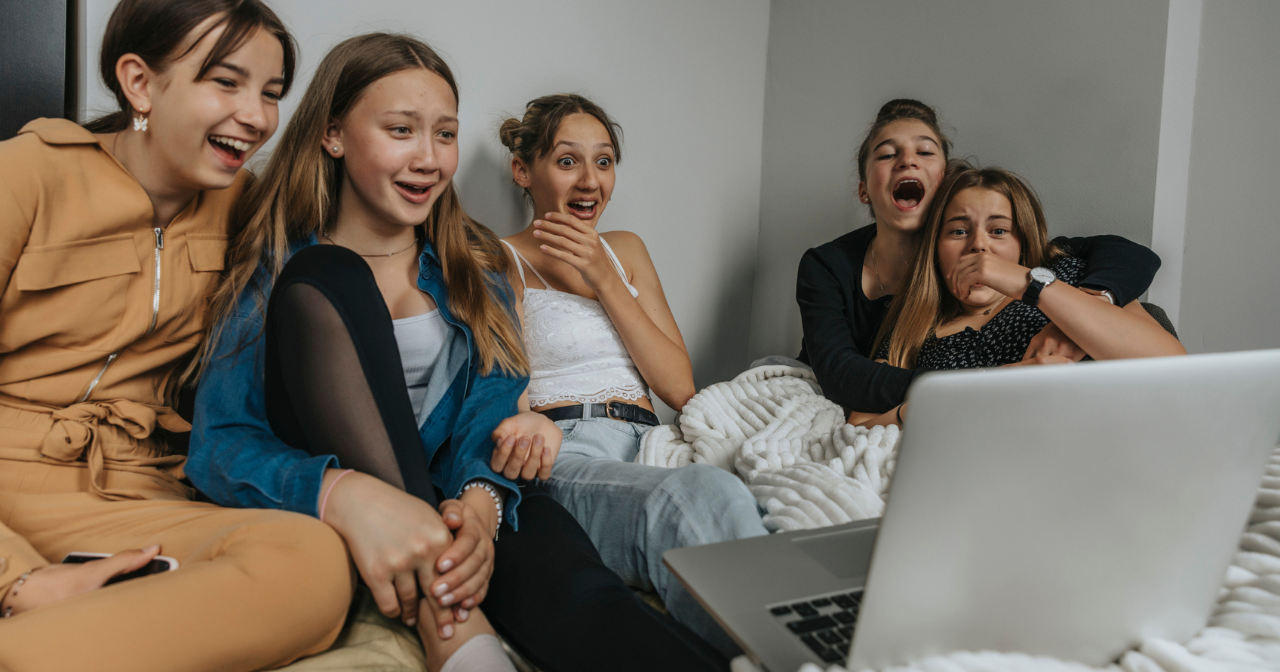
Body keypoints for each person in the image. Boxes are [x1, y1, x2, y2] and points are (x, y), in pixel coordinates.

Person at [187, 34, 729, 672]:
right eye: (400, 129)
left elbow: (492, 396)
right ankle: (453, 620)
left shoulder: (470, 262)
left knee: (583, 589)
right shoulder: (283, 264)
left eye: (444, 135)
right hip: (354, 505)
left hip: (461, 489)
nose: (428, 158)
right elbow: (220, 442)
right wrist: (340, 492)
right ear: (333, 134)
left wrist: (480, 497)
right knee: (333, 274)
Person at [0, 2, 356, 670]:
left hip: (137, 494)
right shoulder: (24, 174)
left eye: (271, 93)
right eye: (226, 81)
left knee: (312, 561)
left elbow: (373, 265)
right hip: (7, 482)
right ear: (139, 83)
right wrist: (16, 580)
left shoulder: (249, 208)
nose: (255, 115)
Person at [497, 93, 769, 656]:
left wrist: (603, 275)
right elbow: (504, 390)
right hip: (566, 450)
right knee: (697, 499)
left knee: (754, 499)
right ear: (524, 170)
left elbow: (678, 387)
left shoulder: (624, 252)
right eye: (568, 161)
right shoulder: (498, 259)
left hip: (654, 442)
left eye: (604, 161)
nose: (590, 181)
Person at [797, 99, 1164, 418]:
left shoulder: (1040, 265)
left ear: (944, 180)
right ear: (863, 190)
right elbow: (844, 381)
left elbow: (1126, 254)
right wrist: (987, 383)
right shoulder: (837, 273)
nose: (907, 161)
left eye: (924, 152)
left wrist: (1084, 308)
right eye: (888, 154)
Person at [848, 164, 1186, 427]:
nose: (978, 245)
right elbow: (859, 428)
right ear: (935, 248)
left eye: (998, 231)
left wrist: (1030, 285)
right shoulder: (912, 327)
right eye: (958, 231)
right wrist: (986, 389)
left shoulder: (1072, 279)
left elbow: (1174, 369)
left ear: (1022, 243)